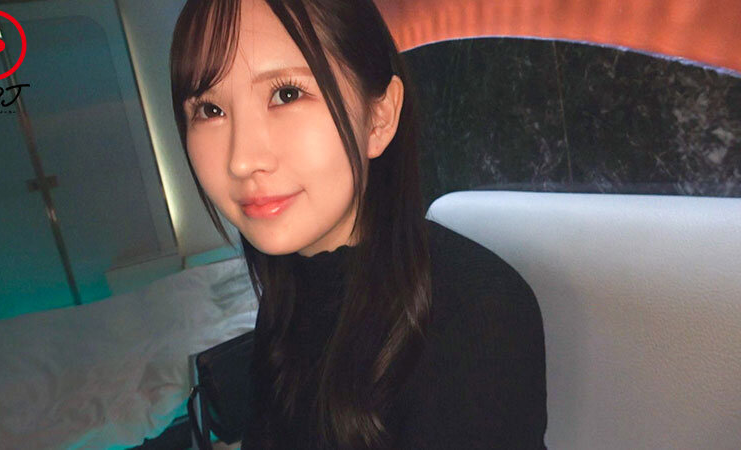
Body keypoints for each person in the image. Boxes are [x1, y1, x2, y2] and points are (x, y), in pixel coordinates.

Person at [169, 0, 548, 448]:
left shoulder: (476, 314)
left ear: (379, 118)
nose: (242, 160)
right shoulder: (289, 285)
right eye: (210, 110)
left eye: (286, 94)